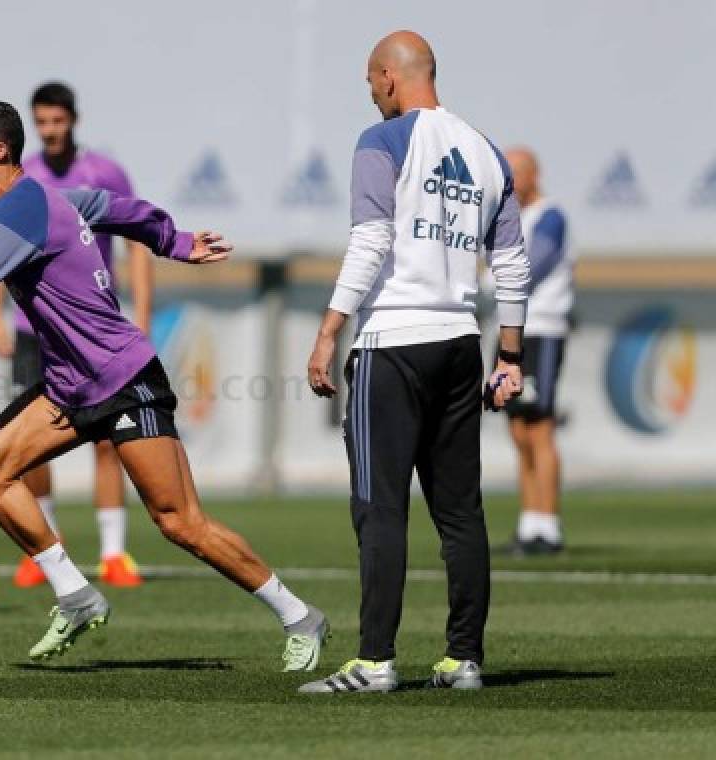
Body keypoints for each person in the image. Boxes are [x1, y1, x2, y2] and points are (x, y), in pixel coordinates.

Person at [0, 100, 329, 669]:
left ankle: (299, 615)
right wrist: (173, 241)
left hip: (124, 378)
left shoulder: (19, 211)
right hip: (69, 389)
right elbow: (115, 208)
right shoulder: (46, 199)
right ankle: (75, 595)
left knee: (180, 523)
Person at [304, 31, 530, 693]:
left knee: (380, 507)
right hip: (461, 344)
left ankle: (374, 662)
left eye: (371, 82)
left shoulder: (382, 141)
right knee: (460, 511)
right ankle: (464, 659)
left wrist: (328, 331)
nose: (371, 94)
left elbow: (372, 239)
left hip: (393, 344)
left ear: (387, 76)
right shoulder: (487, 153)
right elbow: (512, 262)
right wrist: (509, 354)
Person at [0, 82, 153, 589]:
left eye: (58, 121)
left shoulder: (104, 172)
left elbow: (137, 239)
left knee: (109, 437)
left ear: (73, 120)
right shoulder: (25, 176)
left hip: (93, 327)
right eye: (43, 123)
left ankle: (113, 552)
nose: (51, 131)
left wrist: (142, 310)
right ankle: (46, 543)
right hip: (35, 326)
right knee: (32, 443)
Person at [502, 147, 573, 556]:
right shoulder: (512, 218)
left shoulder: (551, 216)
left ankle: (549, 525)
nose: (510, 183)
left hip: (541, 330)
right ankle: (530, 522)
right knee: (518, 429)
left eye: (517, 174)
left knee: (540, 426)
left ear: (535, 174)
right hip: (512, 331)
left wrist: (495, 280)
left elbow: (534, 267)